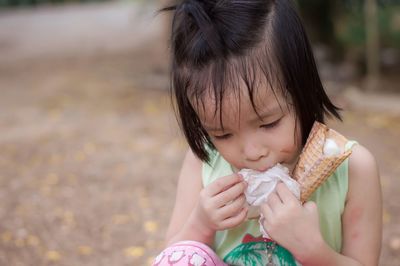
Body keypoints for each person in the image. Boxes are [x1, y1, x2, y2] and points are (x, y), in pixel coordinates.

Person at [154, 0, 382, 265]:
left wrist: (315, 251)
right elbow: (170, 257)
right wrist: (201, 223)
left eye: (269, 123)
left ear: (302, 91)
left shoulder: (354, 169)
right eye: (223, 134)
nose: (252, 152)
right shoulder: (203, 162)